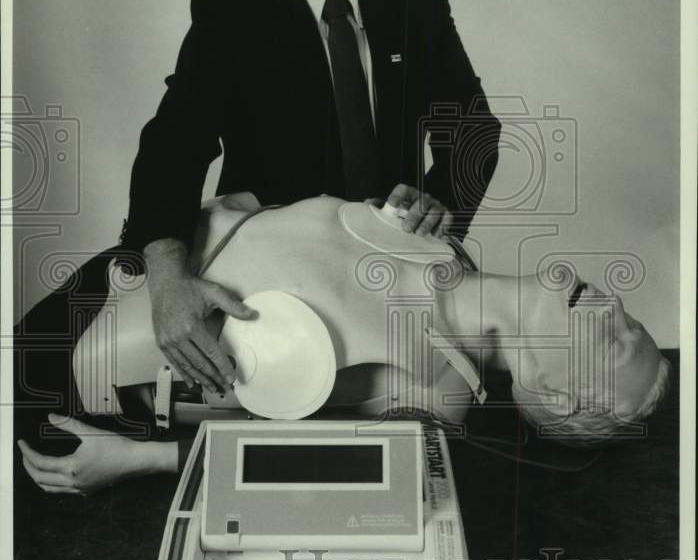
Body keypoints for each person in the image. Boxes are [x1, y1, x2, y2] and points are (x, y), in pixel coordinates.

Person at [119, 0, 501, 399]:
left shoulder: (417, 10)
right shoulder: (230, 11)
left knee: (448, 402)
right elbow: (176, 143)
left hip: (392, 257)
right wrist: (166, 275)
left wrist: (440, 204)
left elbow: (474, 128)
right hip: (275, 261)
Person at [17, 195, 670, 496]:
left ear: (552, 390)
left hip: (79, 370)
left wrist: (133, 461)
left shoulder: (434, 402)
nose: (612, 307)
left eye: (616, 343)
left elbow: (303, 464)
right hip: (125, 272)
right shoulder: (435, 234)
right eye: (632, 320)